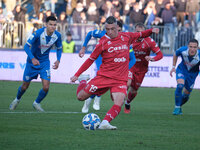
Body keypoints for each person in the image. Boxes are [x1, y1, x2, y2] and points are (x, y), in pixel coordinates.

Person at [70, 16, 159, 129]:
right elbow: (90, 60)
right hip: (103, 77)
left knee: (119, 102)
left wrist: (152, 31)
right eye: (107, 29)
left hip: (119, 79)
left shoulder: (127, 37)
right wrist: (77, 74)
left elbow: (141, 34)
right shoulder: (102, 42)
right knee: (80, 97)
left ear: (117, 27)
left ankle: (105, 123)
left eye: (113, 29)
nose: (110, 32)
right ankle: (83, 80)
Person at [79, 20, 136, 113]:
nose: (118, 32)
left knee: (111, 84)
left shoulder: (126, 41)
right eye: (117, 29)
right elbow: (90, 33)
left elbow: (133, 59)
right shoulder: (103, 34)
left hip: (118, 68)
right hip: (101, 60)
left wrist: (123, 69)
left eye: (120, 30)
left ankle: (94, 99)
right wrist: (84, 47)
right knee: (101, 80)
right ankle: (90, 101)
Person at [9, 16, 62, 112]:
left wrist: (58, 60)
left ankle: (36, 103)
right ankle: (16, 100)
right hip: (31, 62)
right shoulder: (38, 33)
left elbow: (59, 48)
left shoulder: (57, 35)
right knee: (24, 86)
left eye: (54, 25)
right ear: (46, 25)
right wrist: (32, 58)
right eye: (50, 24)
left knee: (46, 87)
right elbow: (26, 46)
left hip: (44, 62)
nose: (53, 27)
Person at [124, 23, 163, 114]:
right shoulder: (129, 39)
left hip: (141, 69)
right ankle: (120, 98)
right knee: (127, 83)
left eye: (141, 32)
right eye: (137, 32)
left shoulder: (149, 41)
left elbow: (160, 55)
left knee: (134, 91)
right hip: (130, 66)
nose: (139, 34)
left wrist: (152, 59)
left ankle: (127, 102)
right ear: (134, 31)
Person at [170, 39, 200, 115]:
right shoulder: (183, 50)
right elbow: (175, 54)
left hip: (192, 75)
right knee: (180, 86)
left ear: (197, 47)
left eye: (195, 47)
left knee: (186, 95)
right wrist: (173, 66)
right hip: (182, 70)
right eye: (191, 47)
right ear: (188, 46)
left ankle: (179, 106)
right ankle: (176, 108)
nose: (192, 49)